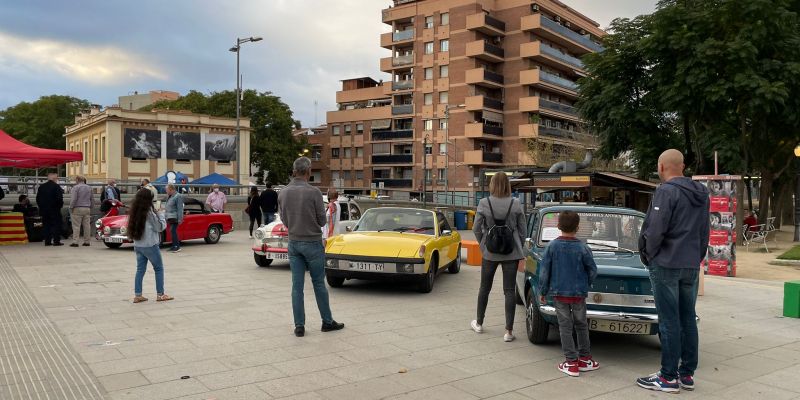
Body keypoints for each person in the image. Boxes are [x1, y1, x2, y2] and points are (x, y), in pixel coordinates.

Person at [637, 149, 710, 393]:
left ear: (661, 167)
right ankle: (686, 374)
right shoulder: (702, 195)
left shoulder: (665, 191)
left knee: (668, 321)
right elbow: (704, 233)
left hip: (666, 263)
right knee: (688, 319)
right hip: (690, 264)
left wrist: (649, 254)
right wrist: (695, 258)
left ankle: (668, 377)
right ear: (683, 166)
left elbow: (655, 229)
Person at [278, 157, 344, 337]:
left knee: (296, 286)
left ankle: (299, 326)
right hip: (313, 242)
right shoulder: (314, 192)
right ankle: (327, 321)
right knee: (318, 283)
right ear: (308, 172)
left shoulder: (283, 192)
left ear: (293, 171)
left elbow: (283, 218)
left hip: (293, 242)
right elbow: (323, 220)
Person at [538, 211, 599, 377]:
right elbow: (593, 270)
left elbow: (544, 272)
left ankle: (571, 362)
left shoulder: (551, 247)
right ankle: (585, 359)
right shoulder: (583, 247)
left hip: (559, 294)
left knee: (565, 327)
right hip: (579, 294)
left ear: (558, 227)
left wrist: (543, 291)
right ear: (578, 227)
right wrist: (586, 284)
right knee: (581, 325)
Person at [470, 172, 527, 342]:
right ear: (508, 185)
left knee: (484, 288)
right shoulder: (516, 203)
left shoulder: (483, 203)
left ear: (492, 184)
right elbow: (523, 230)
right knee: (509, 291)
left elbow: (476, 228)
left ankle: (479, 323)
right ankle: (508, 332)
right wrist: (517, 244)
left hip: (490, 252)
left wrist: (484, 244)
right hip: (511, 253)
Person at [126, 188, 173, 303]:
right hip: (150, 245)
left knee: (140, 270)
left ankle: (138, 295)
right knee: (158, 268)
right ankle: (160, 294)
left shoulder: (135, 211)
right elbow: (160, 227)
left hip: (138, 245)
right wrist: (161, 213)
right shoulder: (149, 213)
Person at [36, 173, 64, 246]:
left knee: (46, 225)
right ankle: (56, 241)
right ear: (55, 179)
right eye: (57, 178)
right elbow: (59, 199)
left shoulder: (41, 187)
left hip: (44, 210)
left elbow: (38, 199)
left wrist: (41, 207)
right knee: (56, 225)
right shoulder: (56, 187)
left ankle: (47, 241)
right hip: (54, 210)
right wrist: (59, 207)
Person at [69, 176, 94, 247]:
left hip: (77, 208)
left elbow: (73, 199)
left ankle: (75, 242)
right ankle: (87, 241)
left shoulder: (75, 188)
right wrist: (91, 207)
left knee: (76, 226)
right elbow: (92, 199)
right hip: (87, 208)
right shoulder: (89, 188)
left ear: (77, 180)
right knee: (87, 226)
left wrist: (71, 207)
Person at [164, 184, 184, 253]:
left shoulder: (178, 196)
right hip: (169, 217)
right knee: (172, 231)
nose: (166, 191)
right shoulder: (169, 196)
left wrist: (180, 219)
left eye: (166, 190)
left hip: (175, 216)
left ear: (171, 189)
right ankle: (174, 246)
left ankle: (177, 246)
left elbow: (180, 208)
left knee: (173, 231)